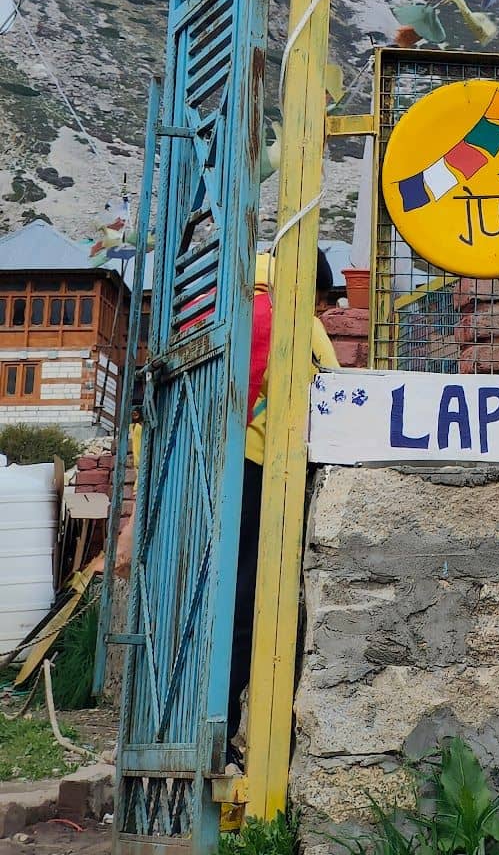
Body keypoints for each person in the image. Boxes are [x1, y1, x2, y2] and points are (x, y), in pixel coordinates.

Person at [115, 248, 339, 768]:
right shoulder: (300, 324)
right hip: (254, 477)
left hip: (186, 475)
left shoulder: (209, 312)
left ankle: (163, 730)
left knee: (185, 604)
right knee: (241, 611)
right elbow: (336, 410)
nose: (325, 313)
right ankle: (217, 742)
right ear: (312, 290)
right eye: (326, 302)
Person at [226, 248, 338, 763]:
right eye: (320, 298)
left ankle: (223, 730)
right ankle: (227, 732)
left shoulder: (246, 306)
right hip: (263, 470)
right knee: (250, 605)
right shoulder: (280, 317)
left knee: (239, 601)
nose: (322, 308)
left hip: (246, 469)